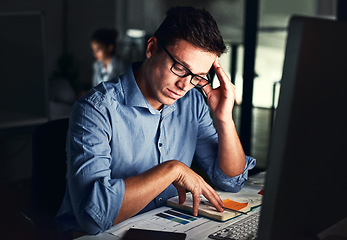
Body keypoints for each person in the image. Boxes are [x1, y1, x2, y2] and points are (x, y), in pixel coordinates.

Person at [56, 6, 255, 235]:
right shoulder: (96, 109)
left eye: (198, 77)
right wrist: (172, 170)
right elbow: (94, 217)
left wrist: (224, 119)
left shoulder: (192, 103)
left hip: (162, 227)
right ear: (151, 48)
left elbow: (232, 181)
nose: (185, 85)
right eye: (180, 68)